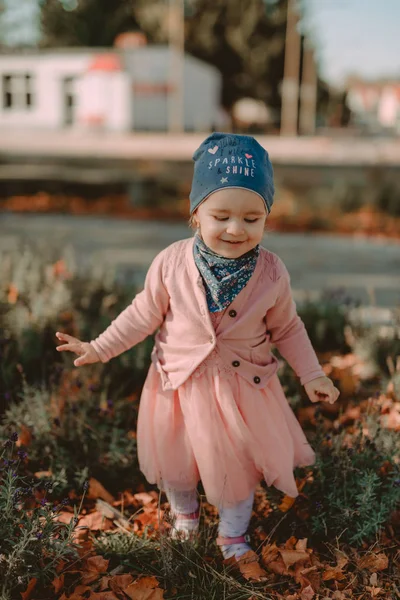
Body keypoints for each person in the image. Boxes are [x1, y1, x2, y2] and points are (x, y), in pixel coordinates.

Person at [55, 132, 340, 561]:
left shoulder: (271, 273)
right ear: (195, 214)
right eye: (221, 215)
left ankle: (232, 534)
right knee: (177, 461)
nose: (235, 229)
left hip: (243, 390)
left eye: (251, 218)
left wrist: (312, 373)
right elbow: (141, 314)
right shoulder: (170, 263)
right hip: (178, 385)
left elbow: (288, 329)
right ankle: (185, 517)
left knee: (238, 466)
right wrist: (100, 347)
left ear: (266, 217)